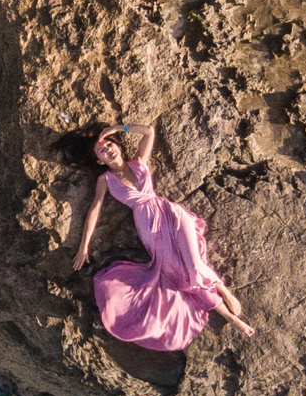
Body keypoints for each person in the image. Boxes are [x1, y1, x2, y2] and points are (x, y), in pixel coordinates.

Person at [71, 121, 254, 349]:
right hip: (149, 226)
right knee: (180, 272)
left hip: (171, 213)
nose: (108, 149)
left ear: (117, 146)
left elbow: (149, 131)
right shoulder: (105, 180)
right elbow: (94, 210)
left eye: (109, 144)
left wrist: (119, 128)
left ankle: (226, 292)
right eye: (101, 151)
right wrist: (84, 246)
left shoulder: (138, 162)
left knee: (195, 263)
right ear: (100, 160)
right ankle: (230, 317)